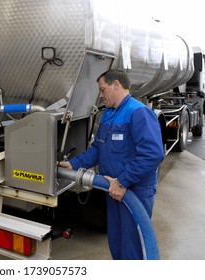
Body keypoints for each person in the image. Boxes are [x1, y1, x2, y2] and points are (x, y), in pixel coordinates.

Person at [59, 69, 164, 260]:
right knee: (116, 243)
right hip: (112, 190)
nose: (100, 95)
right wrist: (73, 164)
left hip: (134, 190)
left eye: (102, 89)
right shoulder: (108, 114)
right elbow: (98, 149)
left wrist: (123, 181)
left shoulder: (138, 112)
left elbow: (152, 154)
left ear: (116, 85)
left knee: (133, 247)